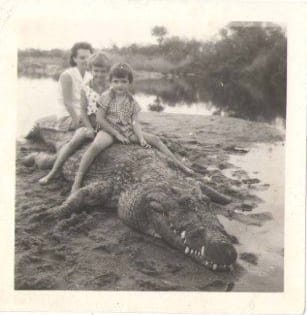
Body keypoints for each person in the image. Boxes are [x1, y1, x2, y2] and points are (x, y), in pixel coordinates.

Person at [70, 62, 194, 193]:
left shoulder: (131, 101)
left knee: (155, 139)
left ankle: (180, 165)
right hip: (109, 130)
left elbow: (135, 122)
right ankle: (77, 182)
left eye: (123, 81)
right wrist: (116, 134)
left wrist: (140, 138)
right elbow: (100, 119)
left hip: (126, 130)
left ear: (129, 82)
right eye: (116, 81)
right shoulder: (106, 96)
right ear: (110, 82)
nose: (119, 85)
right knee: (95, 146)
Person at [39, 52, 110, 185]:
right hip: (88, 121)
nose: (99, 74)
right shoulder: (86, 88)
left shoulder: (111, 87)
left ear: (107, 71)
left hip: (105, 124)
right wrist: (89, 128)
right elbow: (83, 111)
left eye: (103, 71)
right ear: (90, 70)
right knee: (74, 142)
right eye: (96, 71)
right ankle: (52, 172)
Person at [57, 42, 94, 131]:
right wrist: (77, 121)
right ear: (74, 59)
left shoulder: (90, 76)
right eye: (82, 58)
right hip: (68, 117)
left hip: (84, 116)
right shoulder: (67, 75)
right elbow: (68, 103)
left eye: (88, 57)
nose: (86, 60)